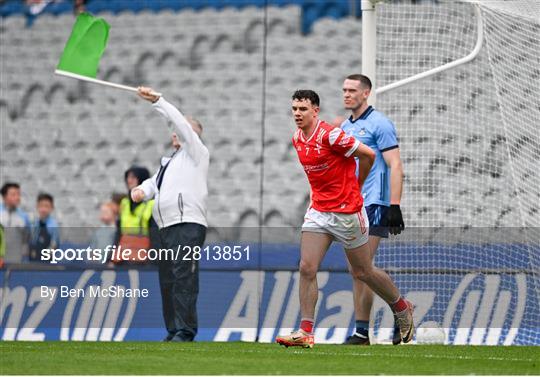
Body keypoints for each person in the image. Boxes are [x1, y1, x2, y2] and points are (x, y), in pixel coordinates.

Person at [275, 90, 413, 349]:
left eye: (302, 109)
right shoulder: (297, 139)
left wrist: (357, 185)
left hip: (347, 212)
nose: (297, 113)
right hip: (319, 212)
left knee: (362, 271)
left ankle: (401, 307)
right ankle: (306, 332)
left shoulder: (332, 135)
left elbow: (368, 155)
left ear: (315, 111)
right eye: (294, 108)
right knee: (306, 266)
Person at [131, 86, 209, 342]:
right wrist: (141, 191)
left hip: (187, 224)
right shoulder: (169, 163)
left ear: (194, 134)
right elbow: (153, 183)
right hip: (166, 227)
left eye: (184, 128)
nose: (177, 131)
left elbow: (182, 126)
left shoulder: (197, 153)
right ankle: (174, 328)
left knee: (183, 277)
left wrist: (159, 101)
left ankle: (186, 330)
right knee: (168, 279)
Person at [340, 74, 405, 345]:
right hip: (353, 205)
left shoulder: (380, 123)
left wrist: (395, 206)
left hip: (375, 203)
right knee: (357, 270)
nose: (346, 94)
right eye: (344, 90)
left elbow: (395, 164)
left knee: (362, 267)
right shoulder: (345, 126)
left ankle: (400, 312)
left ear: (366, 93)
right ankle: (363, 330)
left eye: (352, 90)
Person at [114, 166, 156, 263]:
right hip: (122, 259)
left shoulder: (151, 205)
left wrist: (152, 261)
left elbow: (155, 237)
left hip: (142, 260)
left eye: (133, 177)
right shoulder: (124, 203)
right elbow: (118, 233)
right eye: (128, 178)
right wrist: (112, 258)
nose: (129, 180)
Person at [0, 183, 31, 263]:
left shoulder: (24, 217)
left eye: (18, 194)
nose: (17, 197)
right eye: (13, 194)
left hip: (15, 261)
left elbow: (27, 238)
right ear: (4, 197)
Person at [29, 192, 60, 261]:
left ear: (52, 208)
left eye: (46, 206)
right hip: (32, 260)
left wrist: (45, 255)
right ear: (37, 206)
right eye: (41, 206)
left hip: (47, 262)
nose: (43, 209)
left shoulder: (53, 225)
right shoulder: (34, 223)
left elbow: (54, 244)